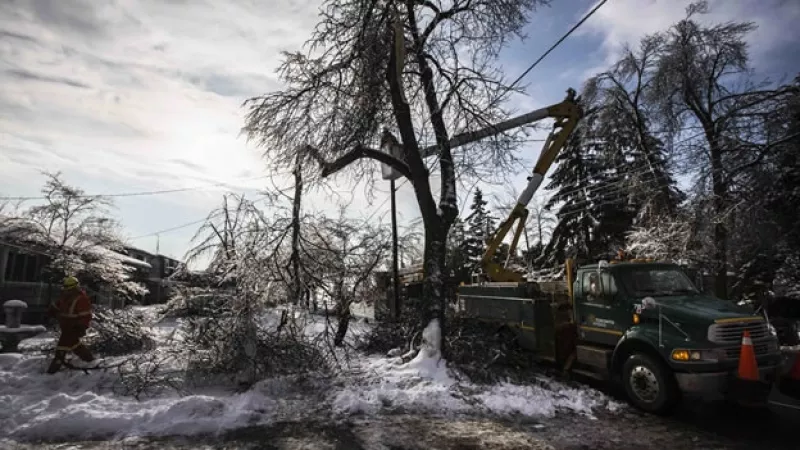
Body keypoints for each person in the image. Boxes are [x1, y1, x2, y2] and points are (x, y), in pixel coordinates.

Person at [46, 276, 95, 374]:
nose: (66, 291)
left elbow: (86, 315)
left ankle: (52, 370)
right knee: (75, 345)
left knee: (61, 348)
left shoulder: (82, 299)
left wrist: (81, 326)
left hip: (74, 327)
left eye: (68, 289)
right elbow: (57, 307)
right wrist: (52, 311)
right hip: (65, 326)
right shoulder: (64, 297)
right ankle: (90, 360)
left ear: (74, 288)